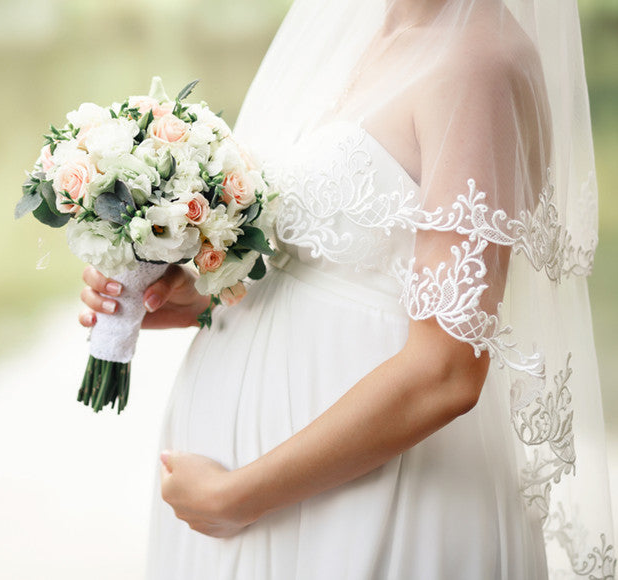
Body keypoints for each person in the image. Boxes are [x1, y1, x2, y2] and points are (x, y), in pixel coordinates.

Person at [78, 0, 614, 578]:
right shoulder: (355, 34)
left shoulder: (477, 63)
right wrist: (204, 293)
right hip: (242, 501)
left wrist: (240, 497)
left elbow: (448, 371)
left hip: (364, 498)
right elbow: (323, 254)